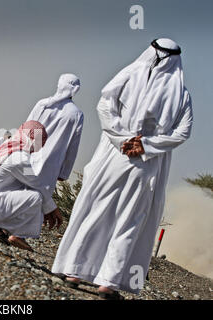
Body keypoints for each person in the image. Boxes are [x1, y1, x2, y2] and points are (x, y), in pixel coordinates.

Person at [51, 39, 193, 300]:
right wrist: (146, 144)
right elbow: (183, 133)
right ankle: (108, 283)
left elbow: (104, 105)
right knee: (129, 220)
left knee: (97, 211)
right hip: (145, 165)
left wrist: (122, 139)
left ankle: (74, 272)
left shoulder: (128, 74)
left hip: (113, 158)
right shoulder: (181, 94)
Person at [0, 120, 63, 251]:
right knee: (36, 197)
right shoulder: (20, 158)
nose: (37, 149)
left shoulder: (6, 148)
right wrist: (52, 209)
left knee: (24, 190)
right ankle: (17, 233)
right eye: (39, 143)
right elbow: (36, 184)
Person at [26, 73, 84, 216]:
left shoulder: (42, 104)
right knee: (38, 196)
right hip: (51, 163)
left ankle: (4, 223)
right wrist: (64, 171)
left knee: (19, 188)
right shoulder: (76, 114)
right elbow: (72, 146)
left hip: (29, 155)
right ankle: (18, 231)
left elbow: (27, 128)